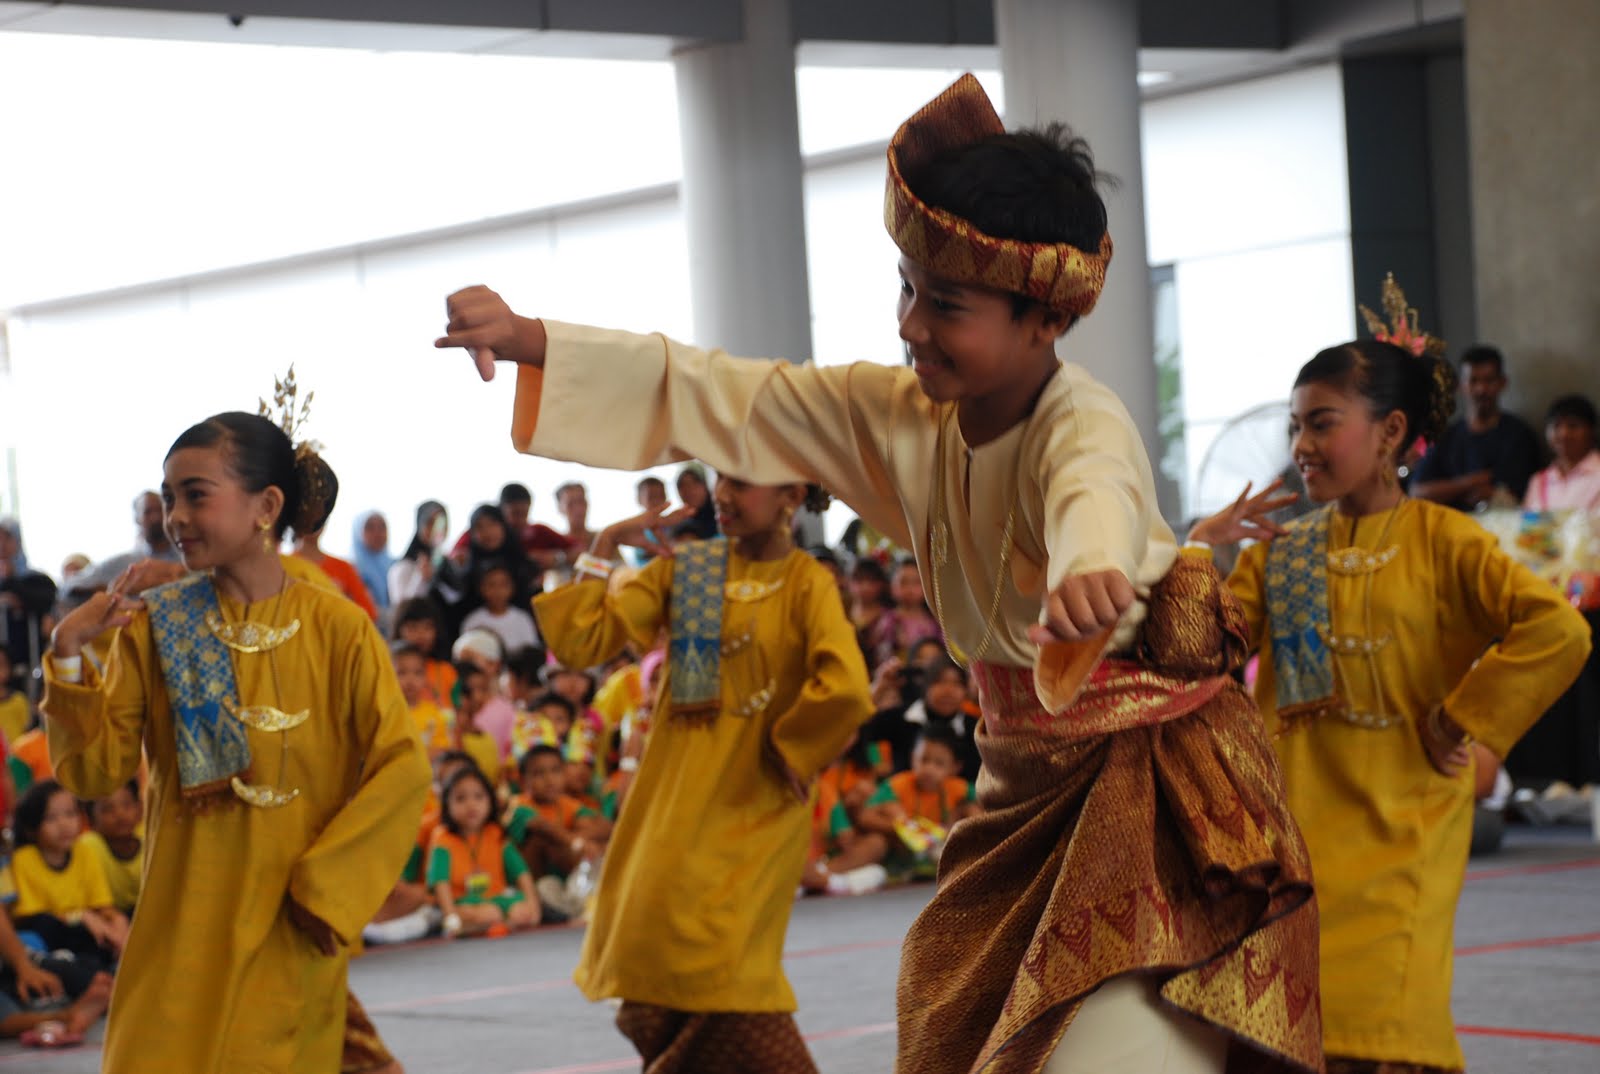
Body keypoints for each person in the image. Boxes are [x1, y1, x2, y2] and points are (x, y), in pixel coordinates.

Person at [435, 73, 1321, 1074]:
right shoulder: (895, 414)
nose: (910, 324)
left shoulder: (1081, 421)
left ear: (1043, 318)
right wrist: (533, 340)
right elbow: (726, 391)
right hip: (1019, 779)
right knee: (952, 1022)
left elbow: (1094, 492)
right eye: (907, 289)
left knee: (1105, 1051)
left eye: (946, 304)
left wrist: (1088, 569)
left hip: (1143, 784)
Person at [1189, 283, 1592, 1073]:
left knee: (1378, 1038)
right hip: (1287, 848)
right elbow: (1195, 653)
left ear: (1391, 432)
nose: (1301, 444)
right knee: (1274, 1040)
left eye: (1321, 422)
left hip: (1406, 834)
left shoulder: (1447, 542)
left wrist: (1465, 717)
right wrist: (1201, 551)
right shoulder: (1279, 555)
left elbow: (1559, 629)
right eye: (1295, 426)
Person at [39, 406, 430, 1072]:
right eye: (169, 498)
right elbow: (94, 774)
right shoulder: (159, 624)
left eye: (196, 495)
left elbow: (403, 767)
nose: (176, 517)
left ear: (266, 505)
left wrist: (327, 887)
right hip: (181, 928)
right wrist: (69, 654)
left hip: (291, 924)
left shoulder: (340, 630)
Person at [519, 476, 870, 1072]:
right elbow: (580, 642)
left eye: (743, 481)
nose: (724, 494)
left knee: (724, 980)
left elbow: (847, 687)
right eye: (720, 478)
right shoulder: (693, 569)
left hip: (754, 809)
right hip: (671, 805)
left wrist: (795, 748)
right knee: (655, 980)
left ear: (790, 494)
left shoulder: (806, 583)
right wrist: (603, 544)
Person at [8, 780, 129, 969]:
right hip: (49, 932)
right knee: (46, 925)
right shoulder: (23, 859)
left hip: (85, 928)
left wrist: (117, 920)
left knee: (124, 918)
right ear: (32, 827)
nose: (64, 824)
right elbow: (31, 916)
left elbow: (102, 906)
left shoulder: (85, 851)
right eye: (51, 818)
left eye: (70, 814)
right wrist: (81, 916)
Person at [1411, 344, 1542, 509]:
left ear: (1502, 383)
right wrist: (1469, 482)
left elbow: (1530, 496)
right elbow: (1417, 492)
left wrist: (1491, 494)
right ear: (1461, 385)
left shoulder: (1519, 436)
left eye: (1489, 380)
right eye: (1473, 381)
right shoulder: (1445, 437)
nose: (1481, 389)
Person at [426, 764, 539, 937]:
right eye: (460, 799)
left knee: (520, 912)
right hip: (463, 902)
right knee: (487, 914)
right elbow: (441, 883)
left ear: (490, 800)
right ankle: (490, 924)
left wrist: (534, 907)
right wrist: (451, 918)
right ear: (446, 804)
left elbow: (521, 873)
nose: (471, 805)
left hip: (498, 899)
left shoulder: (495, 833)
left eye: (479, 797)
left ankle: (497, 924)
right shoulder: (442, 838)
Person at [63, 490, 183, 603]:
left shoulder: (185, 557)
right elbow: (69, 586)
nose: (156, 518)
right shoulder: (124, 562)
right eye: (148, 512)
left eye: (160, 510)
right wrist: (116, 589)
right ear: (137, 519)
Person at [0, 517, 56, 696]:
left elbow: (45, 601)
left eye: (7, 538)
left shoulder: (38, 580)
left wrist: (11, 579)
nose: (2, 545)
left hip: (33, 662)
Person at [1524, 393, 1600, 512]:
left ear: (1592, 431)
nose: (1563, 434)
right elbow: (1527, 520)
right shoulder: (1539, 480)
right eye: (1556, 425)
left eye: (1573, 426)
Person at [81, 778, 145, 917]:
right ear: (91, 820)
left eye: (126, 805)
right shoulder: (88, 846)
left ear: (140, 808)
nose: (119, 814)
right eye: (107, 809)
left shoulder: (150, 836)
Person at [294, 522, 380, 621]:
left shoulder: (343, 567)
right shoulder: (284, 565)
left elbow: (368, 611)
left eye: (320, 517)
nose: (313, 521)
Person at [461, 564, 542, 654]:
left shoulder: (522, 618)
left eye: (503, 585)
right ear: (481, 588)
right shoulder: (473, 620)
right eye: (491, 585)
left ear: (512, 587)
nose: (498, 591)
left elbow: (532, 651)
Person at [388, 500, 450, 606]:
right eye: (430, 523)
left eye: (441, 523)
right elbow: (401, 608)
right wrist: (421, 578)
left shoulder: (446, 563)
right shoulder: (402, 567)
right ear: (420, 525)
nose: (436, 529)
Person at [351, 510, 395, 613]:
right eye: (370, 527)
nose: (377, 533)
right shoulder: (352, 569)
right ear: (358, 532)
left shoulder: (396, 565)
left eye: (382, 527)